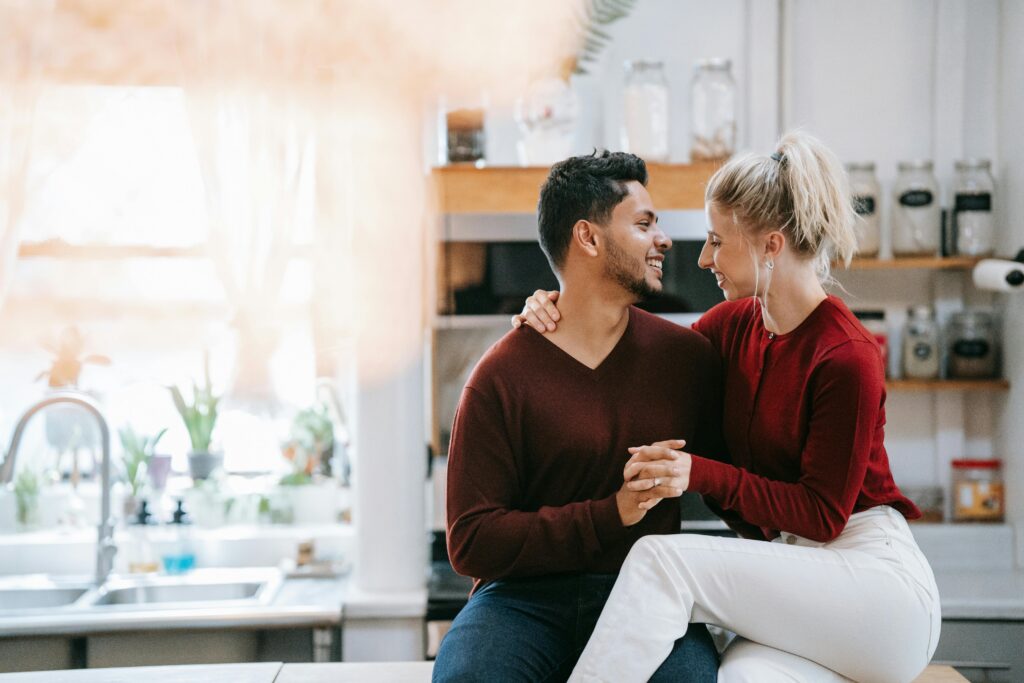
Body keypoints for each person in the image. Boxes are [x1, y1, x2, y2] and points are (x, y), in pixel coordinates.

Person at [514, 132, 942, 682]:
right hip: (803, 580)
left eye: (717, 240)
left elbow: (822, 514)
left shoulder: (847, 356)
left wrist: (697, 473)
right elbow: (632, 343)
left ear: (771, 245)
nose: (703, 257)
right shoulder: (733, 326)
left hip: (874, 588)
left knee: (661, 560)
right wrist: (553, 309)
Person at [433, 151, 722, 683]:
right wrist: (611, 514)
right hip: (519, 601)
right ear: (588, 238)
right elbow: (470, 541)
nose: (664, 240)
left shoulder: (688, 359)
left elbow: (739, 479)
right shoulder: (500, 376)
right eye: (644, 224)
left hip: (647, 591)